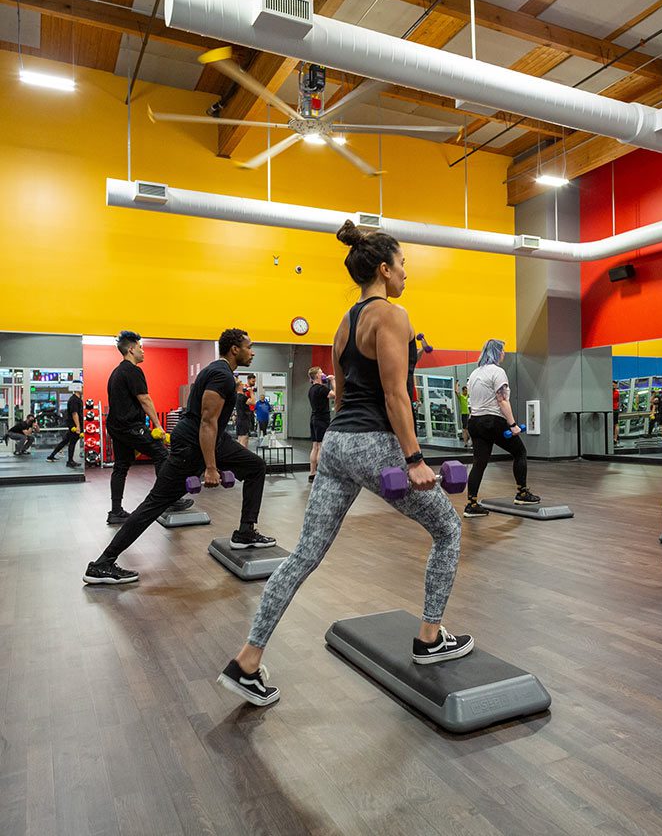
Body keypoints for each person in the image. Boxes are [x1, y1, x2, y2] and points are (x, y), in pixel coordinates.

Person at [216, 222, 471, 706]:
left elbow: (343, 395)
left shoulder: (343, 323)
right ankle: (430, 637)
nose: (405, 275)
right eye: (402, 266)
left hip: (336, 443)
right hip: (374, 441)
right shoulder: (393, 316)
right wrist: (413, 458)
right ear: (383, 268)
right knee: (449, 529)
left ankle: (247, 659)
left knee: (304, 554)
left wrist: (345, 446)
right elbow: (396, 394)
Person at [82, 329, 276, 585]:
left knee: (255, 466)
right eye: (249, 347)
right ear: (234, 350)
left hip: (211, 440)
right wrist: (210, 468)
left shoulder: (219, 371)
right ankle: (102, 564)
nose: (252, 352)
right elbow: (207, 422)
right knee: (155, 503)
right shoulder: (221, 376)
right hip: (194, 444)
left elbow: (210, 425)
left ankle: (245, 531)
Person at [104, 330, 193, 525]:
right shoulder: (132, 370)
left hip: (116, 427)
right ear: (130, 349)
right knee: (162, 454)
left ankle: (116, 511)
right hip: (130, 426)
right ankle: (169, 499)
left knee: (121, 466)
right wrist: (159, 426)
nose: (143, 351)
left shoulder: (116, 372)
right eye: (140, 348)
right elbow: (144, 399)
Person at [462, 339, 539, 519]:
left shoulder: (474, 373)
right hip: (491, 420)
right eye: (502, 351)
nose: (504, 354)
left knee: (479, 462)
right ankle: (522, 494)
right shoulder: (498, 372)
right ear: (497, 353)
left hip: (474, 422)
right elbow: (502, 400)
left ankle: (471, 504)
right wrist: (512, 425)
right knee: (520, 452)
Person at [307, 366, 334, 483]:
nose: (323, 374)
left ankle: (312, 473)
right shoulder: (321, 389)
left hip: (314, 419)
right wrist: (332, 380)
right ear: (317, 376)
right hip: (321, 419)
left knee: (315, 446)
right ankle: (320, 473)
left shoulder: (311, 389)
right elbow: (335, 394)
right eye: (321, 372)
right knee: (321, 446)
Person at [46, 383, 84, 467]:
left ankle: (51, 456)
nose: (83, 388)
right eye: (81, 387)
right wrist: (78, 426)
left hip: (74, 425)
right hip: (74, 425)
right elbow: (75, 413)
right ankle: (70, 461)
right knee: (72, 442)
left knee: (66, 441)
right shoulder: (74, 400)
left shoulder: (78, 399)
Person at [234, 379, 255, 447]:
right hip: (243, 420)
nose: (243, 385)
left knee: (240, 439)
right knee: (244, 440)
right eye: (242, 384)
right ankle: (243, 456)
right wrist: (251, 392)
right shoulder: (242, 397)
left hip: (240, 420)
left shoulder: (236, 396)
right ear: (239, 386)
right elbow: (253, 402)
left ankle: (241, 456)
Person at [455, 381, 470, 447]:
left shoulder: (468, 396)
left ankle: (468, 441)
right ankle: (466, 442)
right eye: (465, 391)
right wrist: (457, 384)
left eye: (467, 390)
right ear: (463, 391)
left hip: (469, 414)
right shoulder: (461, 397)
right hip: (464, 414)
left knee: (468, 428)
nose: (466, 392)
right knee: (465, 429)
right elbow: (456, 391)